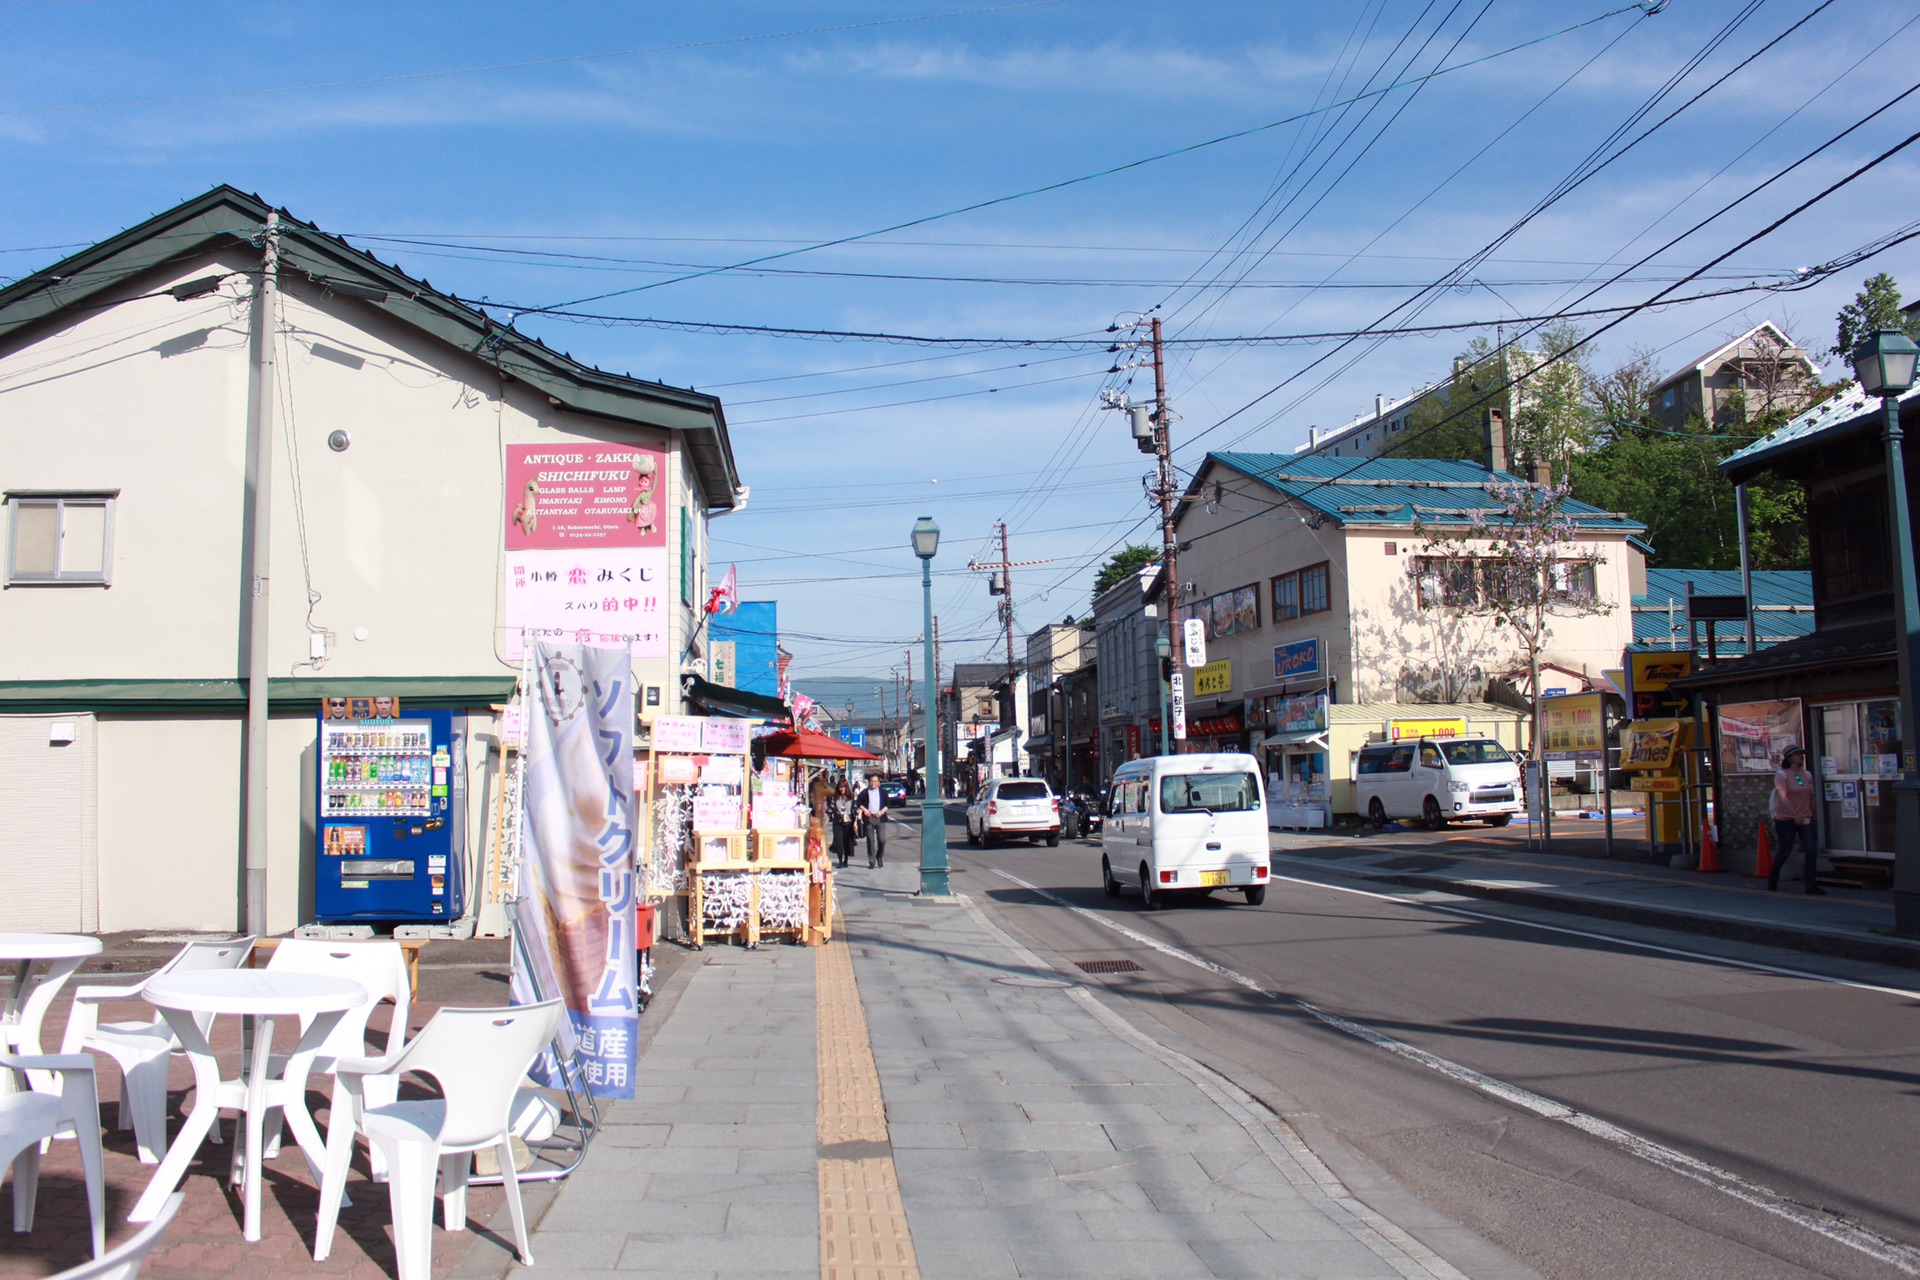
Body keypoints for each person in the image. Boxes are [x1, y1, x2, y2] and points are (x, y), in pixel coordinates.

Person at [1769, 746, 1823, 895]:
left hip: (1805, 816)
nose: (1800, 756)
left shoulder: (1807, 775)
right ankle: (1773, 876)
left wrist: (1814, 813)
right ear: (1789, 758)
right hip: (1785, 817)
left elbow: (1811, 796)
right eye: (1797, 754)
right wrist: (1795, 814)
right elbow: (1783, 796)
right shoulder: (1781, 775)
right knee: (1785, 850)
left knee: (1811, 850)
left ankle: (1810, 884)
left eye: (1801, 754)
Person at [860, 777, 889, 868]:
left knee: (882, 839)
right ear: (869, 782)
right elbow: (858, 803)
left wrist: (882, 812)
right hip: (869, 818)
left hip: (880, 818)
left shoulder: (882, 792)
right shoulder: (865, 792)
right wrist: (865, 810)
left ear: (878, 783)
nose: (873, 783)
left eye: (875, 781)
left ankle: (879, 856)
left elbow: (887, 804)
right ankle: (871, 861)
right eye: (872, 781)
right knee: (870, 840)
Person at [831, 781, 856, 869]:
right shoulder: (835, 798)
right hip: (838, 821)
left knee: (847, 841)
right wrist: (824, 823)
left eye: (844, 787)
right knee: (839, 841)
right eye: (840, 787)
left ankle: (846, 860)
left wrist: (856, 822)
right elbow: (830, 810)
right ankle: (840, 861)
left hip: (849, 821)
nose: (842, 789)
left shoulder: (851, 797)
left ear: (847, 788)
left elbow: (855, 810)